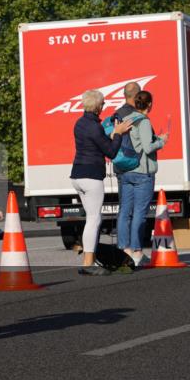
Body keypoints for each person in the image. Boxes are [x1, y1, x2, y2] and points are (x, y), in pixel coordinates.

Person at [70, 89, 133, 276]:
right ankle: (89, 263)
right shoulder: (94, 127)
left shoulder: (80, 123)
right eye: (103, 103)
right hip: (91, 176)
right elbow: (111, 152)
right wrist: (118, 133)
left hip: (77, 175)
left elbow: (99, 144)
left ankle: (88, 260)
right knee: (94, 219)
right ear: (98, 106)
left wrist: (114, 133)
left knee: (91, 218)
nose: (104, 106)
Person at [116, 90, 168, 268]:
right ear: (149, 104)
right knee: (139, 212)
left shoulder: (127, 118)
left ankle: (124, 250)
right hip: (141, 172)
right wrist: (161, 141)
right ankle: (137, 251)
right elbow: (147, 147)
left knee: (125, 211)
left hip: (126, 171)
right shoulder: (144, 121)